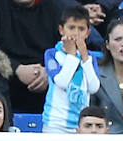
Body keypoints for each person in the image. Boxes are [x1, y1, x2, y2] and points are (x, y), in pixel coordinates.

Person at [0, 0, 66, 114]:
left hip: (51, 93)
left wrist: (50, 72)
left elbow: (71, 52)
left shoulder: (60, 8)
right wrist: (16, 69)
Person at [41, 5, 100, 134]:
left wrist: (84, 57)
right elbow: (61, 82)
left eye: (81, 29)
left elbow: (94, 87)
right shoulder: (52, 54)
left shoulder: (89, 58)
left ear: (88, 33)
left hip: (81, 125)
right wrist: (72, 55)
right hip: (55, 124)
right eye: (71, 28)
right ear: (61, 30)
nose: (76, 33)